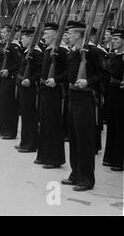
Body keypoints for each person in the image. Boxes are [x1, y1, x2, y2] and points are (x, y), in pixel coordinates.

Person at [62, 21, 109, 191]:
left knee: (85, 140)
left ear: (78, 34)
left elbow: (104, 74)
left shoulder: (92, 52)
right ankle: (75, 173)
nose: (67, 36)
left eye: (70, 33)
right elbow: (69, 73)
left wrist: (87, 81)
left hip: (86, 99)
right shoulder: (74, 52)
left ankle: (87, 179)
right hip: (72, 97)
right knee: (74, 138)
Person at [36, 23, 68, 168]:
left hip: (54, 90)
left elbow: (68, 72)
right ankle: (43, 154)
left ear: (55, 35)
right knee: (44, 122)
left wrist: (57, 80)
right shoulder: (49, 49)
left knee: (53, 124)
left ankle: (54, 158)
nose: (43, 38)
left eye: (46, 35)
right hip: (44, 88)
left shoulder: (61, 50)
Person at [16, 27, 43, 153]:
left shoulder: (36, 52)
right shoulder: (27, 50)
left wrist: (31, 80)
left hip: (30, 87)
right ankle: (24, 141)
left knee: (29, 116)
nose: (21, 39)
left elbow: (40, 71)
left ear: (31, 38)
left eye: (24, 37)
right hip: (23, 86)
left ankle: (31, 144)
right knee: (25, 115)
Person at [103, 28, 124, 172]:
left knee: (120, 126)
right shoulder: (114, 55)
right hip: (111, 92)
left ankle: (119, 160)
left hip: (121, 93)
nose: (113, 41)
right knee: (112, 125)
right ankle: (110, 157)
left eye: (116, 39)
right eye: (113, 39)